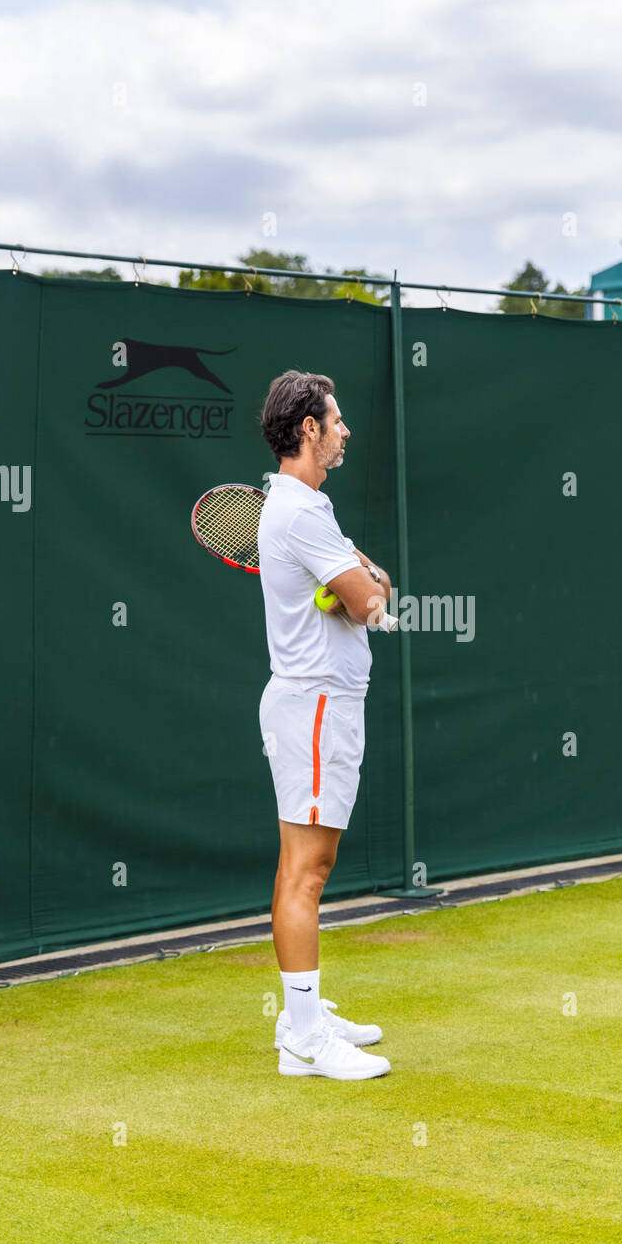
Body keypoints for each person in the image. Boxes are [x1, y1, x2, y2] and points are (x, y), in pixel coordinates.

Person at [258, 369, 392, 1080]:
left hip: (317, 703)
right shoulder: (302, 513)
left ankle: (300, 1019)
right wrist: (365, 590)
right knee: (307, 873)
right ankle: (305, 1040)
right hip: (314, 705)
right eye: (336, 420)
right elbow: (371, 601)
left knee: (305, 867)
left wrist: (364, 589)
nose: (345, 430)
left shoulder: (309, 506)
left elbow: (368, 592)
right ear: (308, 428)